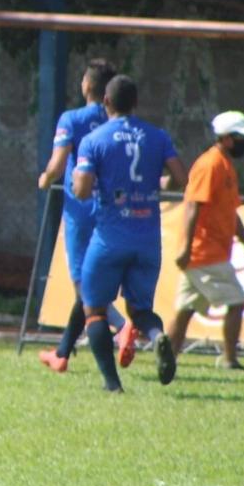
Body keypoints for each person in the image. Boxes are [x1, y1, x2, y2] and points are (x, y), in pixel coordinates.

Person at [72, 75, 187, 392]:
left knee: (93, 309)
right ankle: (157, 337)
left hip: (110, 238)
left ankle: (112, 383)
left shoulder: (94, 140)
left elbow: (81, 190)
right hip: (147, 239)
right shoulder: (157, 136)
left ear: (106, 102)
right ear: (135, 104)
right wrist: (156, 185)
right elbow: (180, 177)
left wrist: (84, 182)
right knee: (140, 311)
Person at [36, 59, 135, 372]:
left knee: (83, 285)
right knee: (90, 284)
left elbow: (58, 161)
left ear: (87, 86)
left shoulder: (72, 118)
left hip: (80, 212)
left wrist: (45, 178)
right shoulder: (116, 121)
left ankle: (121, 327)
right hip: (110, 211)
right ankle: (62, 353)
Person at [167, 111, 244, 370]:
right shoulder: (210, 165)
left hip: (209, 253)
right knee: (236, 300)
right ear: (228, 139)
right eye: (243, 137)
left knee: (186, 308)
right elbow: (192, 207)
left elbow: (231, 214)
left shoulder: (225, 166)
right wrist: (186, 248)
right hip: (205, 252)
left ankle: (167, 354)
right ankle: (229, 358)